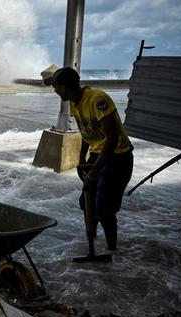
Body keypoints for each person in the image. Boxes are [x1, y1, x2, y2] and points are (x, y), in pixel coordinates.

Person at [44, 67, 133, 250]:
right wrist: (81, 157)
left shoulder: (97, 99)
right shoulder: (74, 102)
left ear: (64, 87)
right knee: (86, 203)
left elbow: (112, 138)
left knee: (103, 210)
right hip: (96, 155)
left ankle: (112, 251)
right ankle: (92, 245)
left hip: (117, 156)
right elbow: (86, 131)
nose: (54, 90)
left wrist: (94, 171)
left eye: (55, 86)